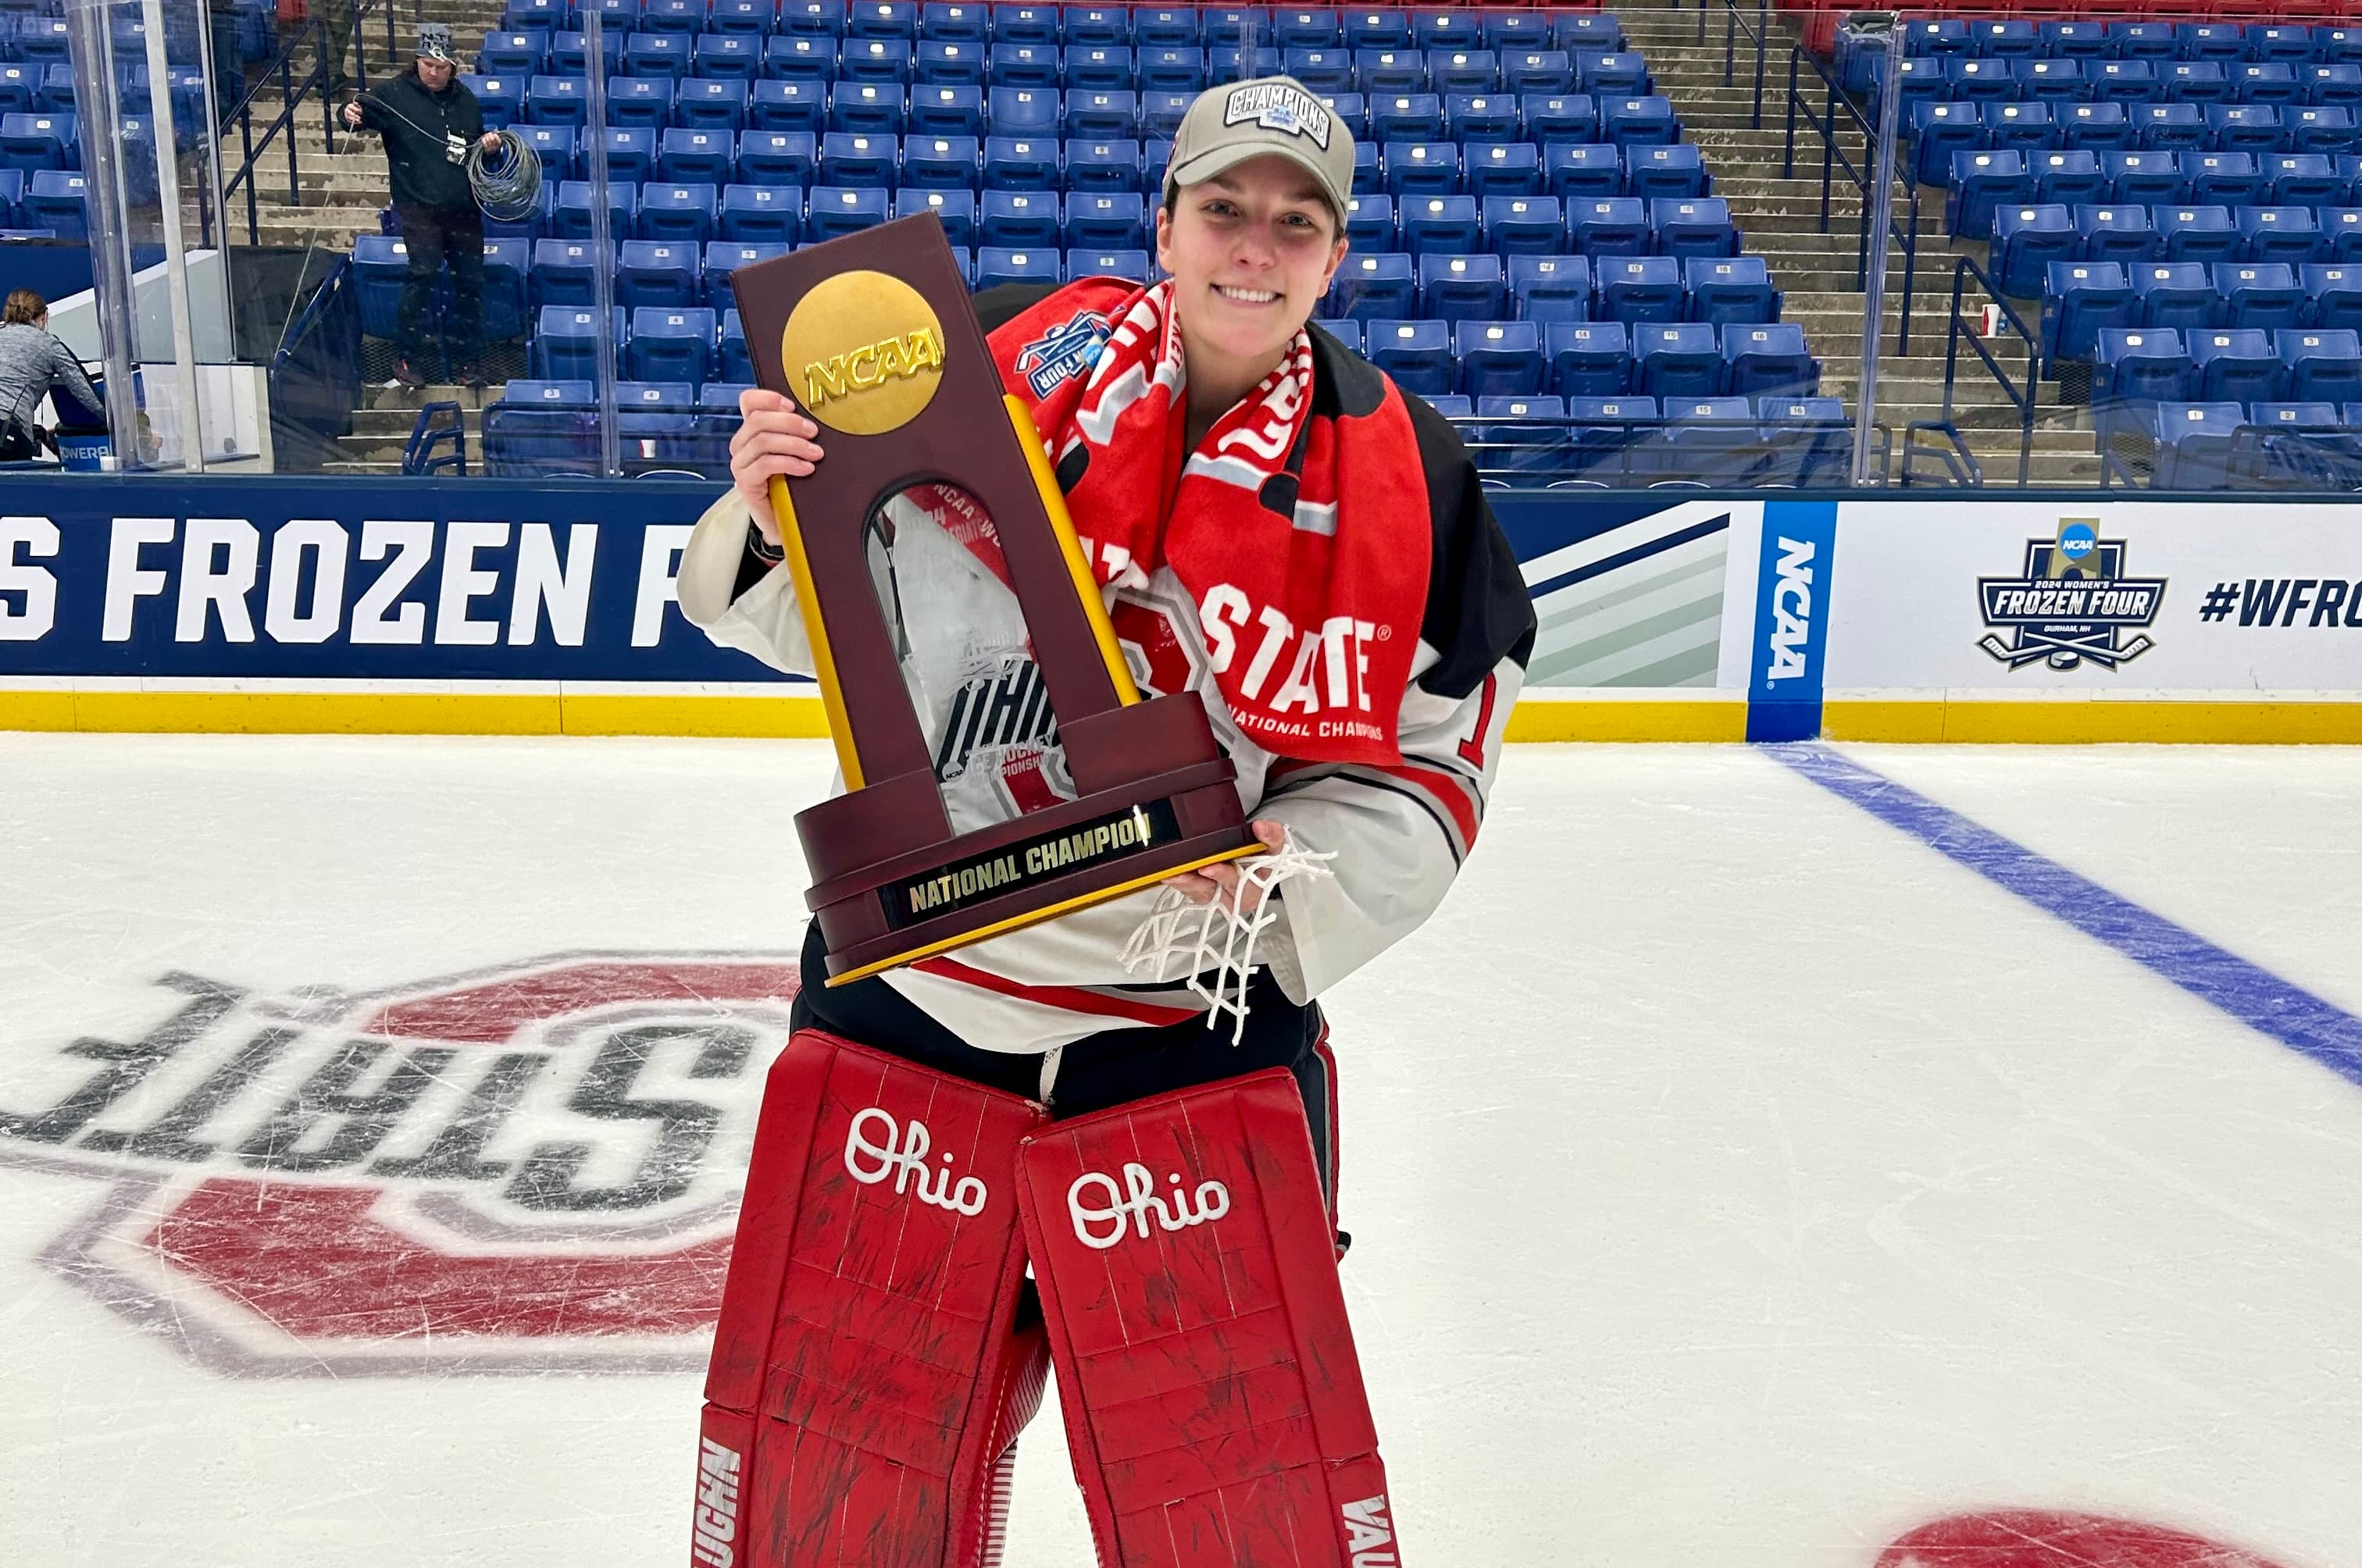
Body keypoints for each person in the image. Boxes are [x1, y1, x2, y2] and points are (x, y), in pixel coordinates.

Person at [680, 76, 1536, 1567]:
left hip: (1184, 1022)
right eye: (1223, 209)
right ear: (1166, 222)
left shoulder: (1415, 474)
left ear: (1335, 256)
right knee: (838, 1481)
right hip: (918, 991)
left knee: (1235, 1495)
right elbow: (820, 627)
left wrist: (1301, 874)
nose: (1252, 248)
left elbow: (1431, 760)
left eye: (1295, 222)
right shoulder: (990, 363)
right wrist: (767, 516)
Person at [342, 24, 499, 388]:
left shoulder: (465, 101)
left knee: (471, 285)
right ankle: (405, 358)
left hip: (463, 208)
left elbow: (477, 155)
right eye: (427, 64)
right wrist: (346, 114)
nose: (433, 71)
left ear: (452, 67)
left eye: (441, 66)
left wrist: (491, 148)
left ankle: (470, 364)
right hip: (418, 207)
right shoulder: (395, 94)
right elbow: (358, 113)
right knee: (423, 275)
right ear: (417, 61)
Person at [0, 289, 102, 461]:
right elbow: (85, 391)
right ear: (44, 317)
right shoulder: (49, 344)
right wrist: (120, 425)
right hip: (8, 434)